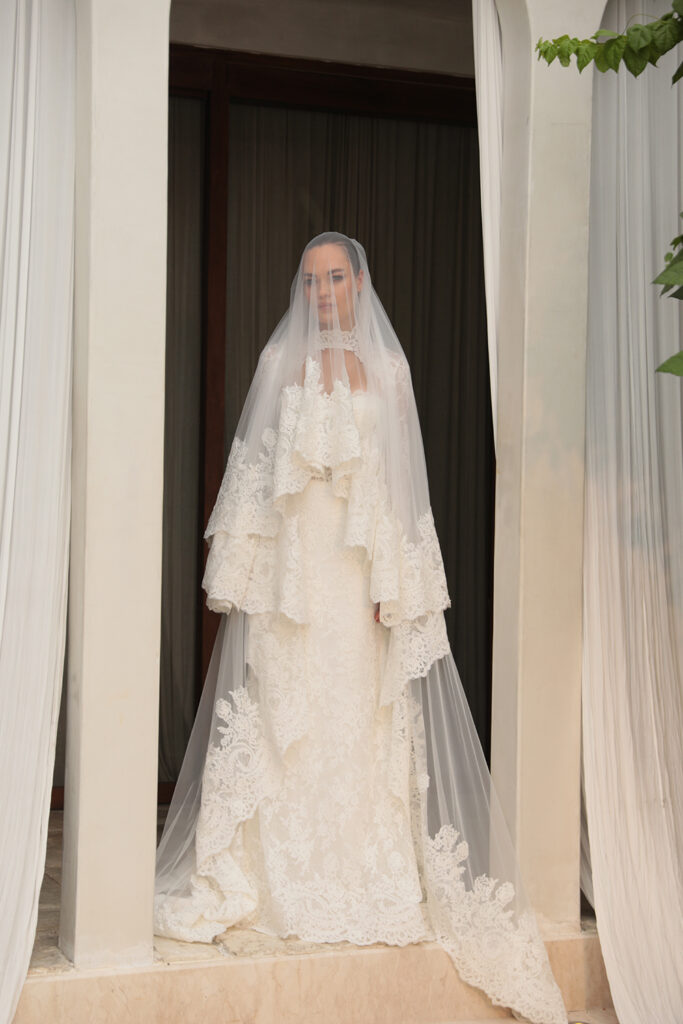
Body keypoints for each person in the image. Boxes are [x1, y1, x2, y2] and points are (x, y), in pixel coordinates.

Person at [154, 232, 566, 1024]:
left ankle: (363, 874)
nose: (323, 293)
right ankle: (278, 878)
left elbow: (399, 483)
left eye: (336, 278)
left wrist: (396, 580)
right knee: (289, 714)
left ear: (360, 283)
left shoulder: (390, 370)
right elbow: (255, 474)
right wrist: (251, 574)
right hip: (297, 578)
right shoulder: (279, 365)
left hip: (356, 576)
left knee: (359, 715)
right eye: (311, 281)